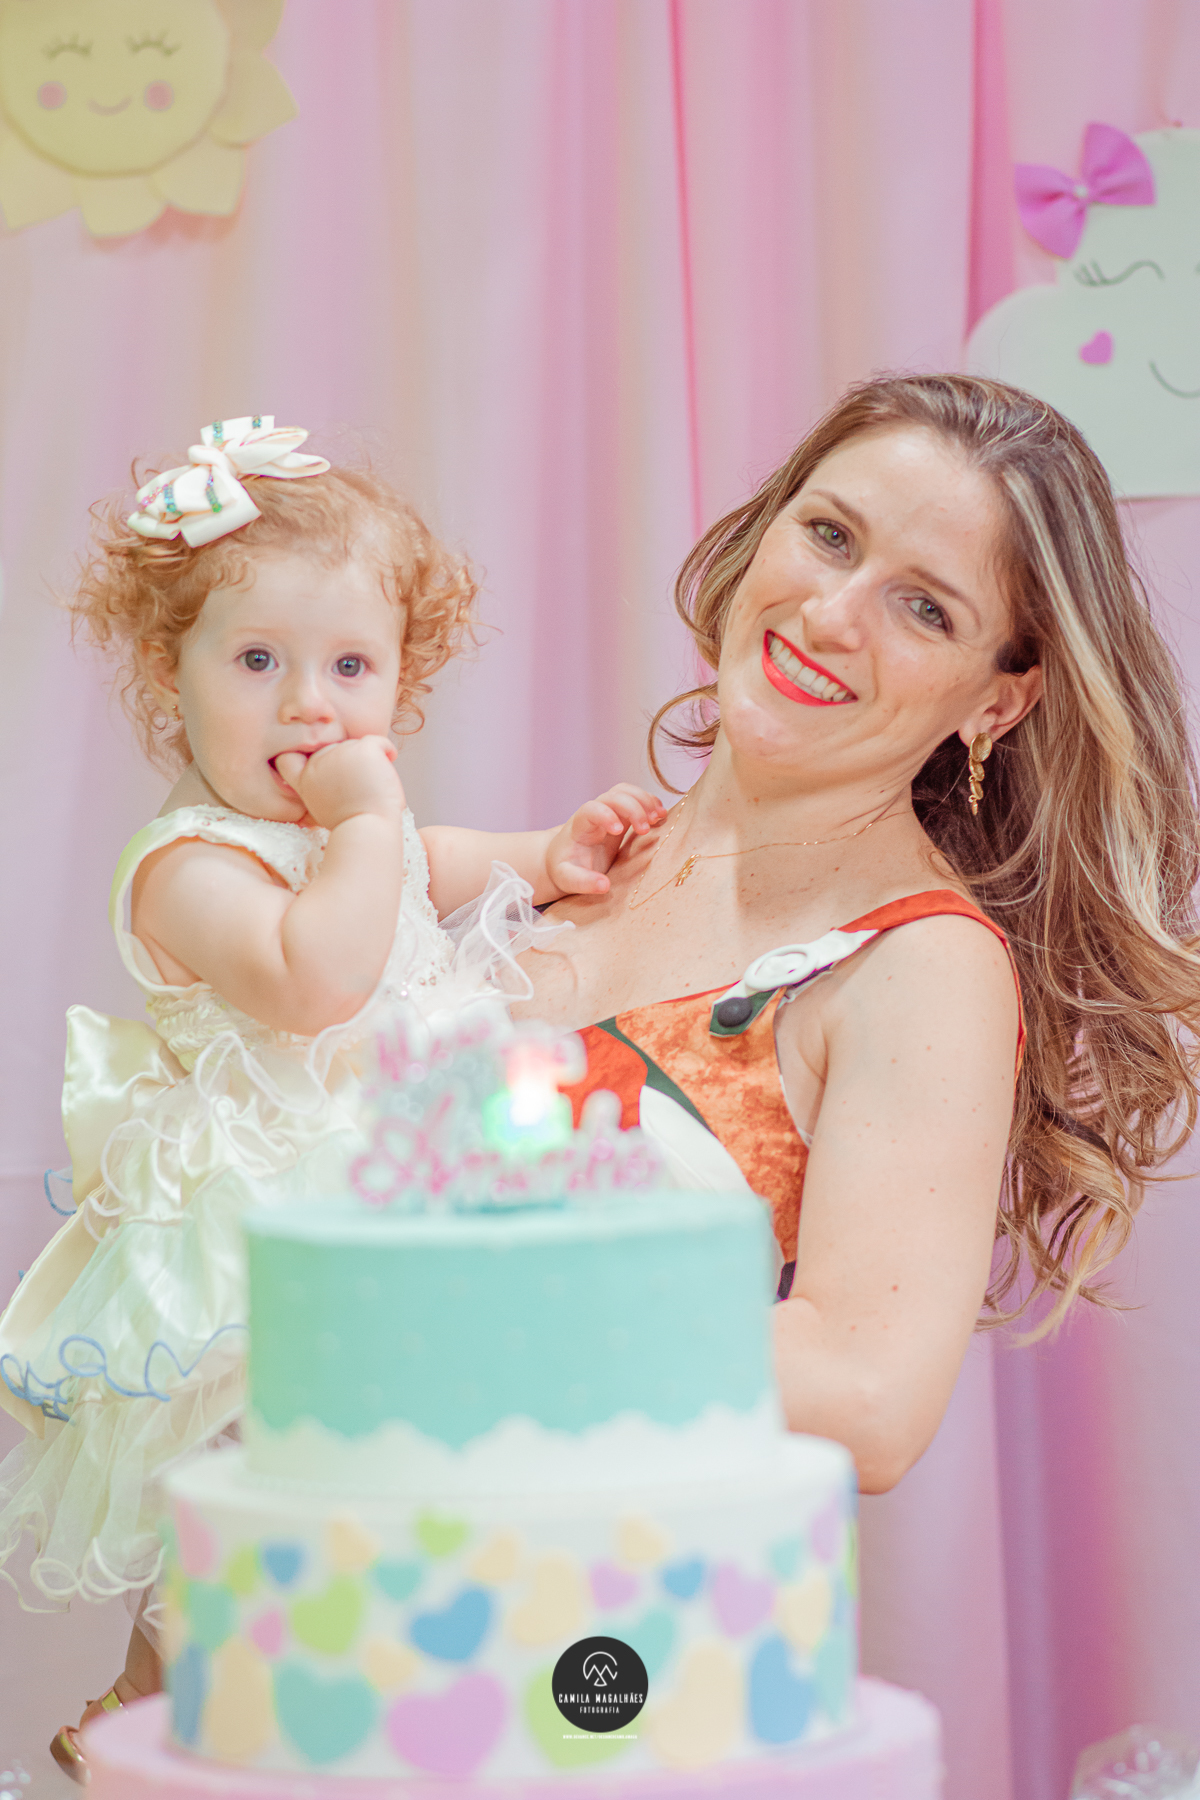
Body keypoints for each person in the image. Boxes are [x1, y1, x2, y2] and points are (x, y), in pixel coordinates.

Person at [0, 417, 662, 1775]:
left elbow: (444, 863)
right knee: (240, 1514)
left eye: (351, 667)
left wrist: (551, 853)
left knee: (371, 1508)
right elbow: (314, 980)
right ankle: (134, 1732)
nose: (311, 704)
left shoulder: (354, 836)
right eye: (258, 661)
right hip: (266, 1245)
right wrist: (367, 825)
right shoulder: (185, 864)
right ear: (166, 670)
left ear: (401, 681)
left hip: (391, 1196)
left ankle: (342, 1723)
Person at [522, 373, 1200, 1497]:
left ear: (997, 702)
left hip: (572, 1588)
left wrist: (435, 1286)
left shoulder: (919, 964)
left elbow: (866, 1392)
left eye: (925, 608)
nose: (833, 616)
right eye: (830, 535)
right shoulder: (581, 853)